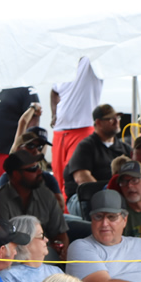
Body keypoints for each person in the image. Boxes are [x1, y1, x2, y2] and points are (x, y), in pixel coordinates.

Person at [0, 152, 70, 260]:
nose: (40, 171)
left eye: (38, 166)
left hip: (44, 254)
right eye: (33, 168)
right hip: (12, 260)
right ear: (16, 174)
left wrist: (62, 251)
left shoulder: (46, 195)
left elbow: (60, 233)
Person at [50, 57, 103, 191]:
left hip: (82, 129)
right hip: (60, 132)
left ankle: (72, 210)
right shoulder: (64, 63)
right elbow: (54, 91)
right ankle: (61, 209)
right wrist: (54, 114)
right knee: (57, 177)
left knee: (74, 176)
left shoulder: (90, 60)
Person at [63, 104, 132, 199]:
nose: (117, 121)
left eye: (118, 117)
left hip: (117, 197)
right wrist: (106, 195)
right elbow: (82, 178)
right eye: (111, 119)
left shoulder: (125, 149)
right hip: (86, 197)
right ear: (98, 123)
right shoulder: (86, 146)